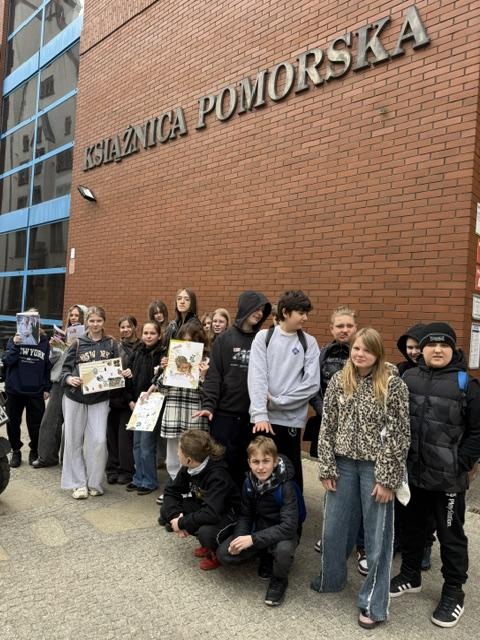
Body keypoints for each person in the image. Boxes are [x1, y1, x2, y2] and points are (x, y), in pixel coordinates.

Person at [311, 328, 410, 630]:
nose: (360, 354)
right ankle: (331, 579)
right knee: (334, 527)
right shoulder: (339, 380)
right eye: (356, 348)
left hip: (375, 468)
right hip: (342, 464)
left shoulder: (392, 384)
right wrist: (326, 467)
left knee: (378, 538)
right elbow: (327, 425)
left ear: (377, 353)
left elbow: (399, 434)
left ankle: (373, 604)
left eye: (367, 349)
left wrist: (388, 479)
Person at [390, 323, 480, 628]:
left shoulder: (466, 383)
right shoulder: (408, 377)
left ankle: (453, 591)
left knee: (450, 535)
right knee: (412, 528)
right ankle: (410, 574)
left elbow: (477, 432)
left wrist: (461, 461)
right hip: (413, 474)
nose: (437, 350)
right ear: (422, 350)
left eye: (444, 345)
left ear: (452, 348)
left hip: (448, 480)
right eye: (431, 345)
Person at [193, 291, 271, 487]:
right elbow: (214, 376)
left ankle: (243, 501)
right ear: (245, 308)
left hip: (252, 416)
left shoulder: (263, 340)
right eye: (257, 308)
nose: (260, 313)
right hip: (224, 415)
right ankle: (221, 500)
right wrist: (208, 405)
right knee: (221, 464)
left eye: (263, 310)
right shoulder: (224, 339)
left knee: (247, 465)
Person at [247, 290, 320, 490]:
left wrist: (277, 401)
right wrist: (260, 414)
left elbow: (311, 385)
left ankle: (292, 510)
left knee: (289, 472)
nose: (305, 318)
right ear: (286, 312)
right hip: (264, 420)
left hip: (290, 421)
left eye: (306, 313)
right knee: (261, 470)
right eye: (301, 313)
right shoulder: (264, 337)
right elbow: (256, 377)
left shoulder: (309, 342)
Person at [217, 436, 299, 607]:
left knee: (283, 551)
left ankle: (279, 579)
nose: (261, 467)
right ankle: (265, 555)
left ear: (275, 462)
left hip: (283, 532)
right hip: (260, 528)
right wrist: (239, 538)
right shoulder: (249, 481)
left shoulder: (286, 486)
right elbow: (245, 515)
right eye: (256, 462)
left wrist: (253, 540)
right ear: (249, 463)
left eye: (266, 461)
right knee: (224, 554)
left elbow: (289, 527)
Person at [303, 305, 357, 555]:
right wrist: (326, 413)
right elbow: (314, 387)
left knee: (358, 485)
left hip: (358, 430)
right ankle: (331, 534)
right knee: (332, 482)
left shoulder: (364, 351)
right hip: (330, 427)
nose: (344, 330)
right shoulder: (322, 353)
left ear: (355, 328)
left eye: (349, 325)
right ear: (332, 329)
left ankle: (359, 542)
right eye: (339, 326)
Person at [60, 306, 127, 499]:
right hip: (75, 397)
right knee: (73, 440)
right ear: (86, 322)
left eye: (99, 321)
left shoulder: (112, 344)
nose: (95, 324)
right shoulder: (77, 343)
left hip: (99, 399)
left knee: (98, 440)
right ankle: (78, 483)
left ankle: (94, 482)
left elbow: (117, 370)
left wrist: (122, 373)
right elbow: (64, 370)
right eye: (92, 321)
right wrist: (68, 379)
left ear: (104, 322)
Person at [160, 429, 241, 570]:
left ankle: (214, 550)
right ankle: (205, 543)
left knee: (206, 533)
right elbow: (171, 491)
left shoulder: (218, 476)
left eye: (179, 451)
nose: (177, 453)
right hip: (207, 508)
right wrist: (175, 516)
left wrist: (181, 522)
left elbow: (211, 514)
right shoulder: (189, 467)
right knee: (166, 510)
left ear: (189, 459)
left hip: (228, 514)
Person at [148, 321, 210, 485]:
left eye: (192, 341)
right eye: (184, 340)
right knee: (173, 458)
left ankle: (193, 490)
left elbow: (208, 395)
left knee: (195, 455)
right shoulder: (173, 358)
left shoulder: (206, 362)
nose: (187, 344)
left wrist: (202, 377)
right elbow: (162, 389)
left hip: (194, 415)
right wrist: (166, 370)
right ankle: (174, 490)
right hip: (174, 413)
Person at [33, 304, 86, 468]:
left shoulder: (88, 338)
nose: (74, 318)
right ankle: (46, 457)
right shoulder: (63, 334)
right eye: (72, 315)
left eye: (77, 315)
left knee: (73, 423)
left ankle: (69, 461)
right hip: (59, 380)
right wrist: (55, 348)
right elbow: (53, 360)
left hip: (77, 382)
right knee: (50, 420)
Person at [2, 310, 51, 467]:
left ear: (37, 323)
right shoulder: (14, 339)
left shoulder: (44, 342)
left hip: (35, 390)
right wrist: (16, 345)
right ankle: (16, 450)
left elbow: (47, 366)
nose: (29, 324)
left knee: (36, 423)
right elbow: (7, 361)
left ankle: (34, 450)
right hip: (14, 389)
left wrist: (47, 387)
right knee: (13, 423)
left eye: (32, 320)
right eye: (26, 320)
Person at [124, 321, 164, 494]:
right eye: (146, 333)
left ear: (159, 336)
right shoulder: (137, 352)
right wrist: (130, 400)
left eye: (152, 333)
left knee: (147, 446)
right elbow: (128, 377)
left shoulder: (162, 355)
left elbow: (162, 380)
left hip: (153, 403)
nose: (148, 336)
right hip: (137, 403)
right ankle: (138, 478)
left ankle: (149, 481)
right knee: (137, 444)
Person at [106, 315, 140, 484]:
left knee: (125, 437)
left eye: (128, 326)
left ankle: (126, 470)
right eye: (122, 327)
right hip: (113, 396)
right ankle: (112, 468)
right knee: (111, 436)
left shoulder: (141, 348)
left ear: (134, 327)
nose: (125, 329)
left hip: (130, 399)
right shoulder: (115, 347)